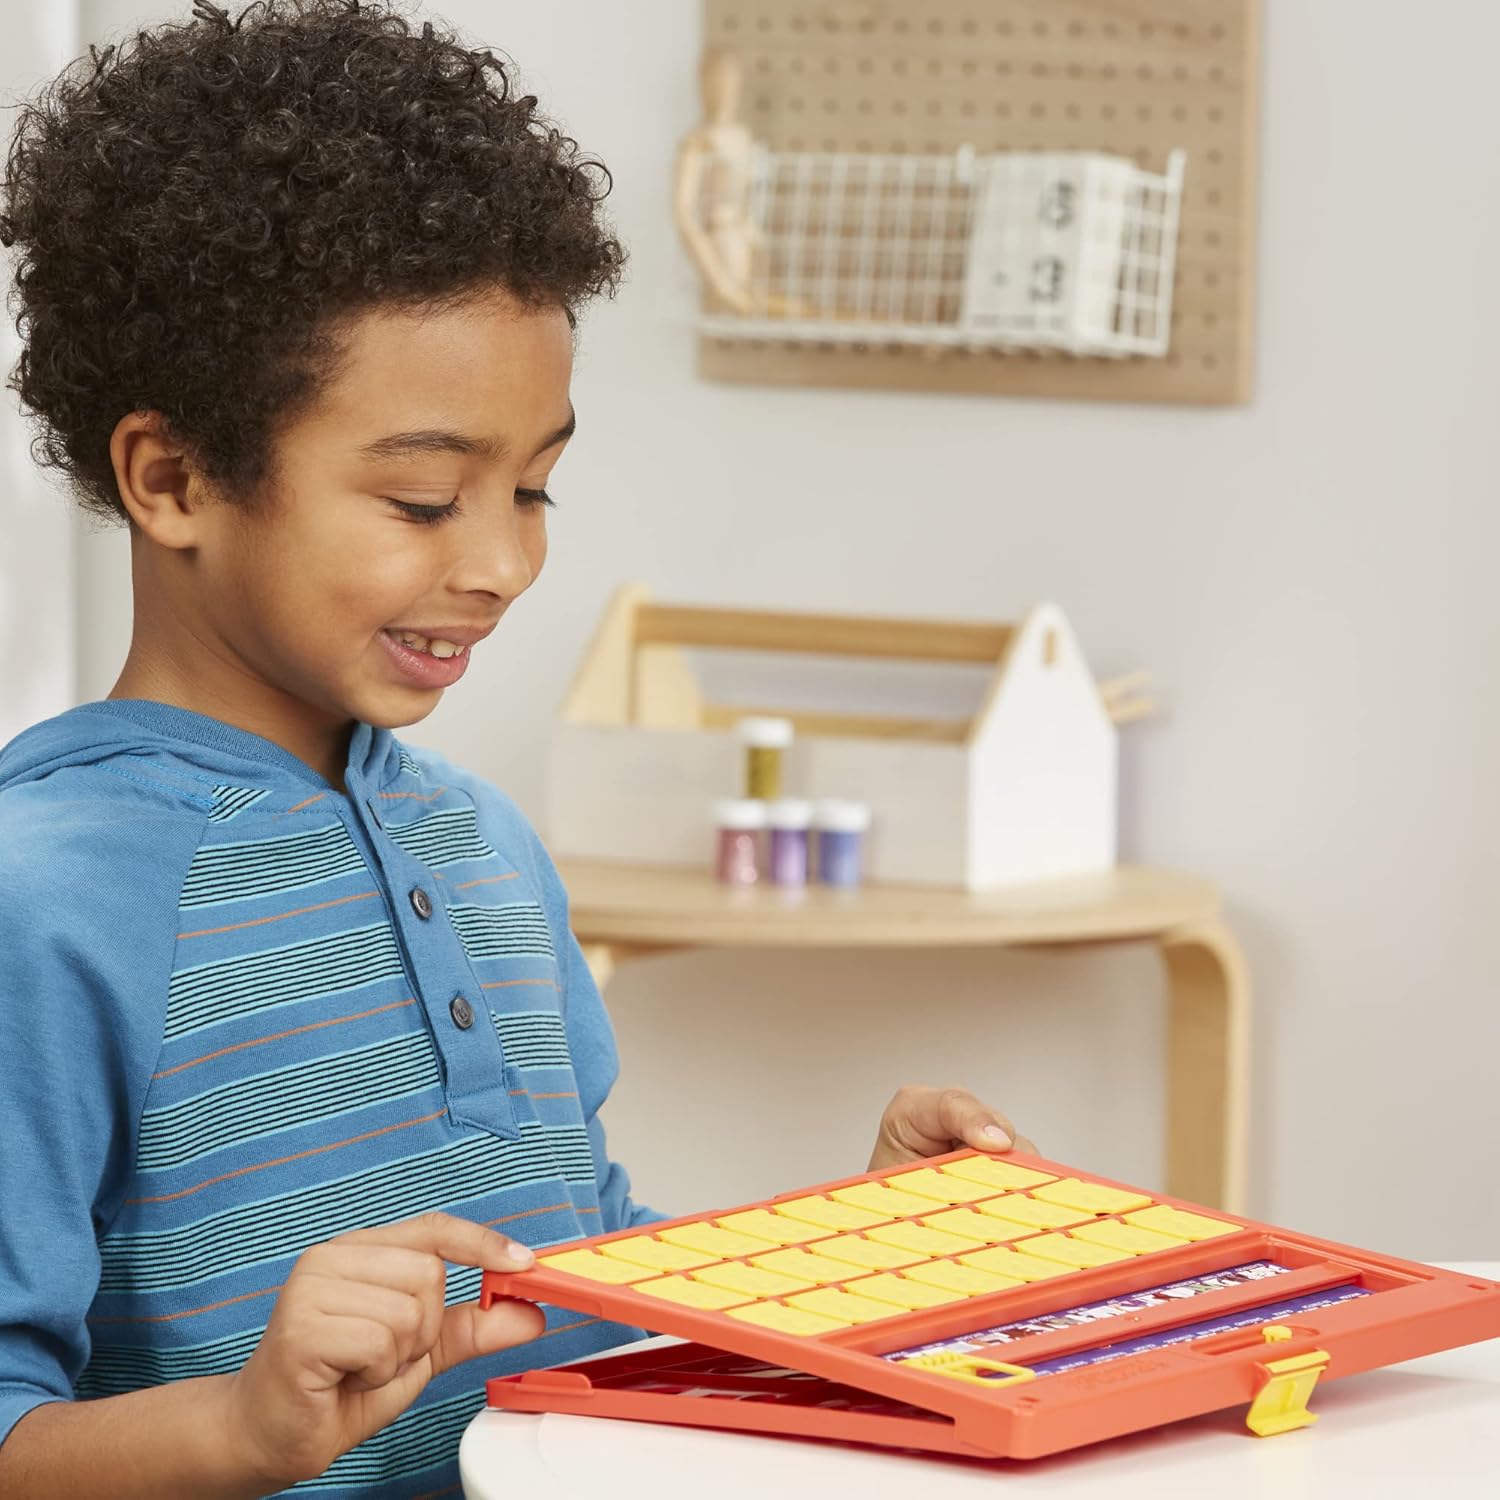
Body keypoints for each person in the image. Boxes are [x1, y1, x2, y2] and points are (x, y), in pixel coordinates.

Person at [0, 4, 1033, 1494]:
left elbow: (579, 1286)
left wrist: (849, 1256)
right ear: (172, 478)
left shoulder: (481, 846)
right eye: (425, 501)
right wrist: (242, 1432)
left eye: (535, 490)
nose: (499, 563)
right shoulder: (47, 900)